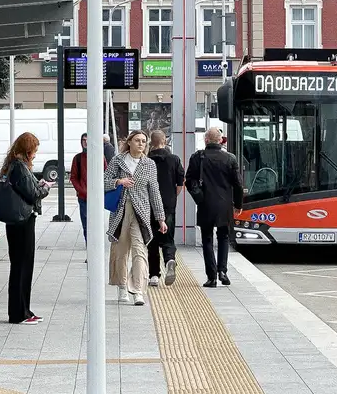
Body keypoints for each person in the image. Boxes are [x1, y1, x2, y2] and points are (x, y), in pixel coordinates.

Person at [104, 129, 166, 306]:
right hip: (120, 212)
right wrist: (118, 182)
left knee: (140, 251)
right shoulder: (118, 160)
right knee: (120, 251)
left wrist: (160, 219)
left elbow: (154, 192)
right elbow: (103, 181)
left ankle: (138, 290)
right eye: (137, 140)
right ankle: (122, 287)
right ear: (129, 142)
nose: (141, 144)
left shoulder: (149, 164)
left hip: (141, 214)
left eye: (144, 141)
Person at [0, 132, 51, 325]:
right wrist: (44, 188)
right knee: (22, 266)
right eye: (34, 150)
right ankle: (18, 313)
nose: (36, 155)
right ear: (27, 150)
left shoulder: (14, 166)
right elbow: (32, 194)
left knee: (22, 266)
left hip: (18, 221)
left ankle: (25, 310)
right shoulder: (19, 168)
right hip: (21, 222)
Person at [185, 127, 243, 288]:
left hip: (205, 204)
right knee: (224, 237)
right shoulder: (230, 158)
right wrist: (238, 204)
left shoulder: (197, 157)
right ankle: (222, 271)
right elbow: (238, 184)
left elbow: (189, 180)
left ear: (206, 140)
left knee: (207, 239)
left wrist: (199, 197)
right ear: (220, 140)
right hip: (225, 204)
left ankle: (211, 277)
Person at [147, 130, 184, 287]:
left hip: (148, 204)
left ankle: (154, 275)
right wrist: (172, 197)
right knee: (167, 237)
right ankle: (169, 259)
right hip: (168, 205)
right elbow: (180, 183)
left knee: (152, 240)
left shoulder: (146, 160)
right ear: (165, 141)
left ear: (151, 142)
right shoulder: (174, 159)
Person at [70, 133, 107, 256]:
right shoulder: (78, 158)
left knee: (96, 225)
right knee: (86, 225)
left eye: (87, 140)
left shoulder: (99, 157)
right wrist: (81, 190)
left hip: (96, 198)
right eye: (83, 140)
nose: (85, 142)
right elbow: (73, 177)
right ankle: (90, 251)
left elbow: (106, 174)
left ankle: (95, 251)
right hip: (83, 197)